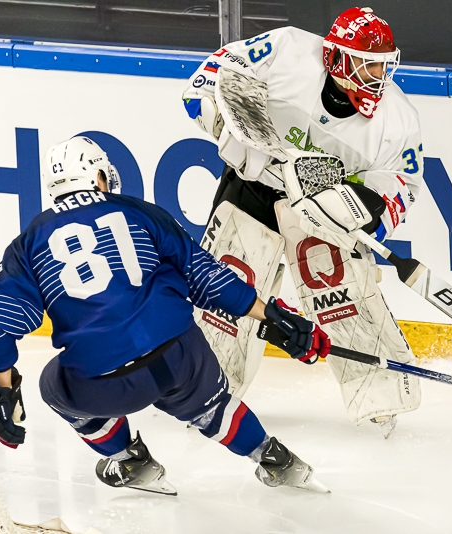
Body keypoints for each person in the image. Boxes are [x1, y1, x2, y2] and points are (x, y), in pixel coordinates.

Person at [0, 136, 330, 495]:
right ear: (98, 177)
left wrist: (3, 391)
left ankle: (131, 461)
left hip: (102, 380)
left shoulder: (29, 242)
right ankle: (276, 459)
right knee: (212, 407)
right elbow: (206, 274)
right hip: (179, 354)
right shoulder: (138, 210)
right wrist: (269, 315)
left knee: (52, 386)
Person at [181, 6, 423, 438]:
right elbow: (208, 77)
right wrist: (223, 127)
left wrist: (355, 209)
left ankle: (379, 397)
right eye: (366, 65)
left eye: (383, 67)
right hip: (252, 188)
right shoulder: (288, 50)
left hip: (322, 205)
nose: (376, 78)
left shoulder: (397, 121)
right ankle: (209, 391)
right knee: (231, 285)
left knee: (338, 290)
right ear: (336, 59)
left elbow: (401, 189)